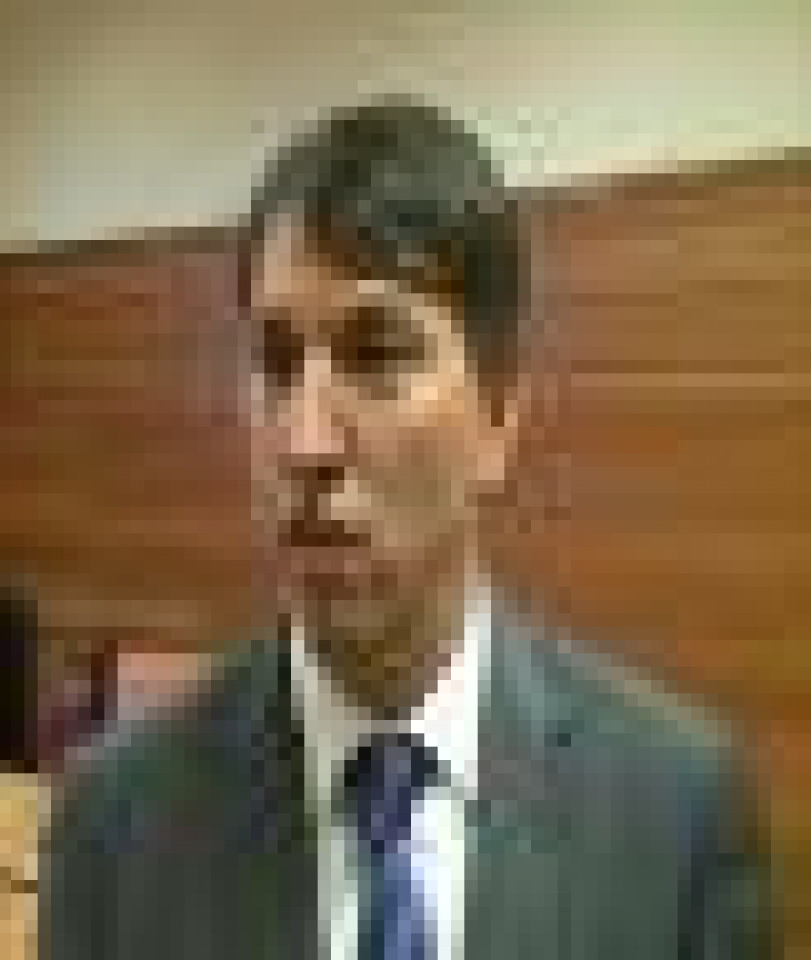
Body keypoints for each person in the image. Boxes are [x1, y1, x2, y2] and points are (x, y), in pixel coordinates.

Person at [41, 96, 777, 960]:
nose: (305, 442)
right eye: (277, 362)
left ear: (499, 418)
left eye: (377, 355)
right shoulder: (116, 822)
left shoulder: (676, 813)